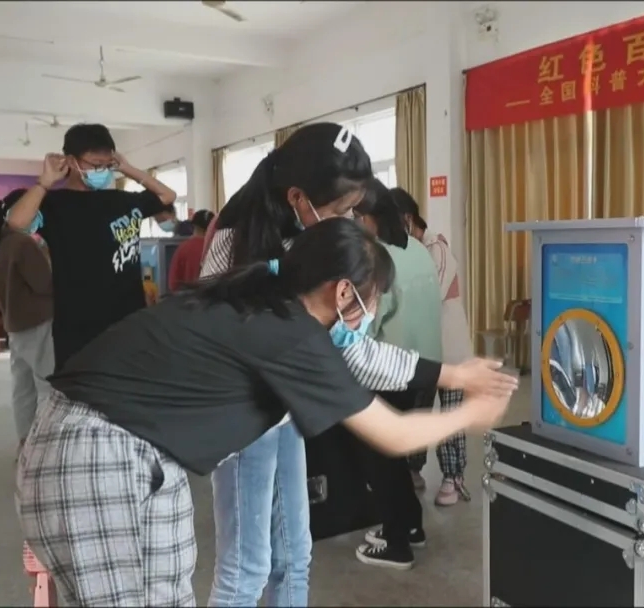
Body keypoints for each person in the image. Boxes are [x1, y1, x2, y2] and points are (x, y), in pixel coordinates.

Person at [15, 218, 514, 607]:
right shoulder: (292, 334)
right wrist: (471, 414)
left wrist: (454, 375)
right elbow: (394, 434)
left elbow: (365, 360)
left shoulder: (260, 299)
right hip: (101, 461)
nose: (372, 316)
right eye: (373, 300)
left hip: (89, 449)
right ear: (343, 291)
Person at [201, 123, 516, 607]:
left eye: (354, 209)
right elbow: (389, 425)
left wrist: (453, 374)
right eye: (341, 209)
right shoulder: (240, 247)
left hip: (281, 412)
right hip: (237, 416)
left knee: (295, 552)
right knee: (247, 567)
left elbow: (356, 350)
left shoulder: (308, 248)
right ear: (298, 198)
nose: (348, 220)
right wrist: (467, 407)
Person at [5, 123, 178, 371]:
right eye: (95, 164)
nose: (101, 171)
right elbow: (17, 223)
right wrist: (45, 182)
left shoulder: (122, 200)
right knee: (82, 388)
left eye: (107, 165)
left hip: (128, 321)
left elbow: (167, 196)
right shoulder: (55, 205)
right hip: (80, 327)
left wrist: (127, 169)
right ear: (71, 161)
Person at [352, 180, 443, 569]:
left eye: (356, 215)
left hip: (393, 373)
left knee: (380, 459)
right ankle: (411, 526)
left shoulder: (378, 258)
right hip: (427, 370)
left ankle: (395, 543)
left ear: (368, 217)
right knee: (396, 455)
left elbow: (368, 325)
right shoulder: (418, 249)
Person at [394, 187, 474, 506]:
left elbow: (430, 295)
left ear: (407, 218)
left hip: (449, 349)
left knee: (450, 413)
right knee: (419, 409)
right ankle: (413, 468)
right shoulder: (409, 251)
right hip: (424, 348)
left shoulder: (437, 248)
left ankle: (453, 477)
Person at [0, 197, 54, 453]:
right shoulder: (23, 244)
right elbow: (45, 284)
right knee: (47, 386)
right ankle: (45, 449)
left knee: (23, 388)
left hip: (15, 325)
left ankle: (25, 444)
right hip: (39, 321)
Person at [169, 209, 215, 292]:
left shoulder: (183, 248)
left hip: (188, 298)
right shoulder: (216, 247)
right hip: (212, 298)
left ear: (193, 226)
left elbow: (173, 284)